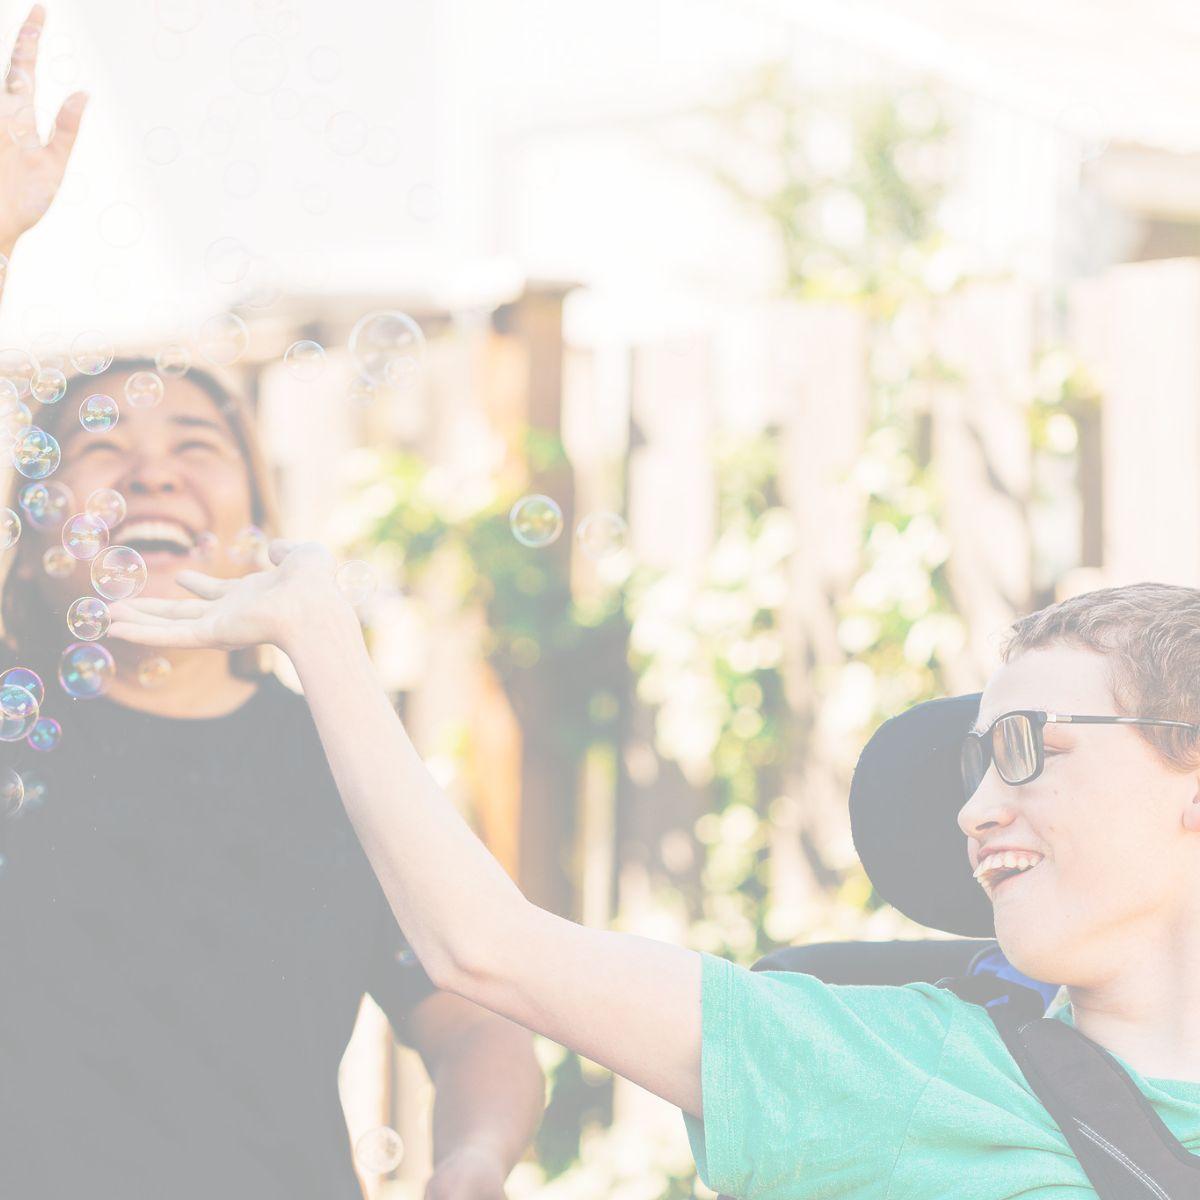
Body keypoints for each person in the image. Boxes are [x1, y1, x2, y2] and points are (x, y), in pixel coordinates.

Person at [107, 544, 1200, 1200]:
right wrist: (321, 638)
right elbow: (486, 947)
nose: (972, 809)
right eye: (972, 765)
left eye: (1023, 750)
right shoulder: (904, 1070)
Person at [0, 10, 545, 1198]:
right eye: (99, 448)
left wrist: (473, 1157)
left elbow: (479, 1020)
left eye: (198, 442)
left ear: (252, 522)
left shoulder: (342, 764)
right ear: (34, 532)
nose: (154, 468)